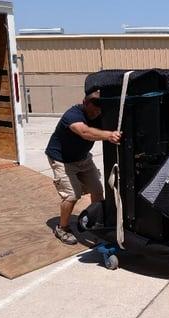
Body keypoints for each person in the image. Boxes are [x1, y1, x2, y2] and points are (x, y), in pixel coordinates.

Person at [45, 90, 121, 245]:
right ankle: (63, 228)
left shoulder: (99, 114)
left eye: (100, 107)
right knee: (72, 195)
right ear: (85, 102)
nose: (97, 111)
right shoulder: (72, 115)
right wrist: (108, 135)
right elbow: (84, 132)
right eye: (94, 106)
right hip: (62, 160)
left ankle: (96, 221)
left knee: (98, 191)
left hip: (83, 159)